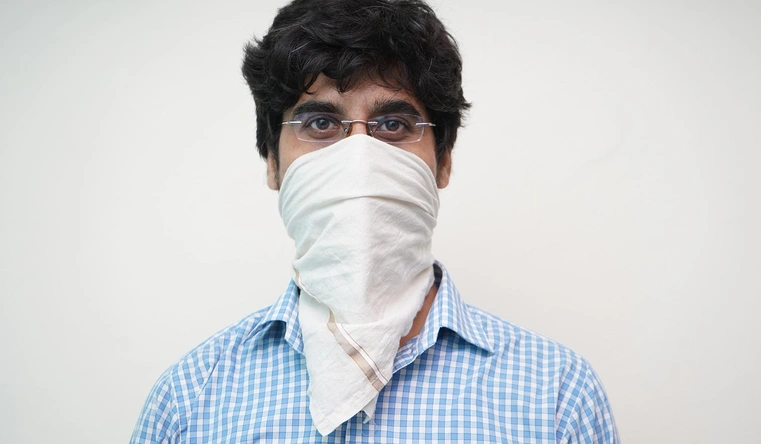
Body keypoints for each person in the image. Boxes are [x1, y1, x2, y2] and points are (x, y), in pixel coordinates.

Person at [130, 0, 619, 442]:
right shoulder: (189, 400)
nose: (359, 158)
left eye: (394, 124)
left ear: (443, 162)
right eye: (320, 123)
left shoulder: (557, 396)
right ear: (274, 164)